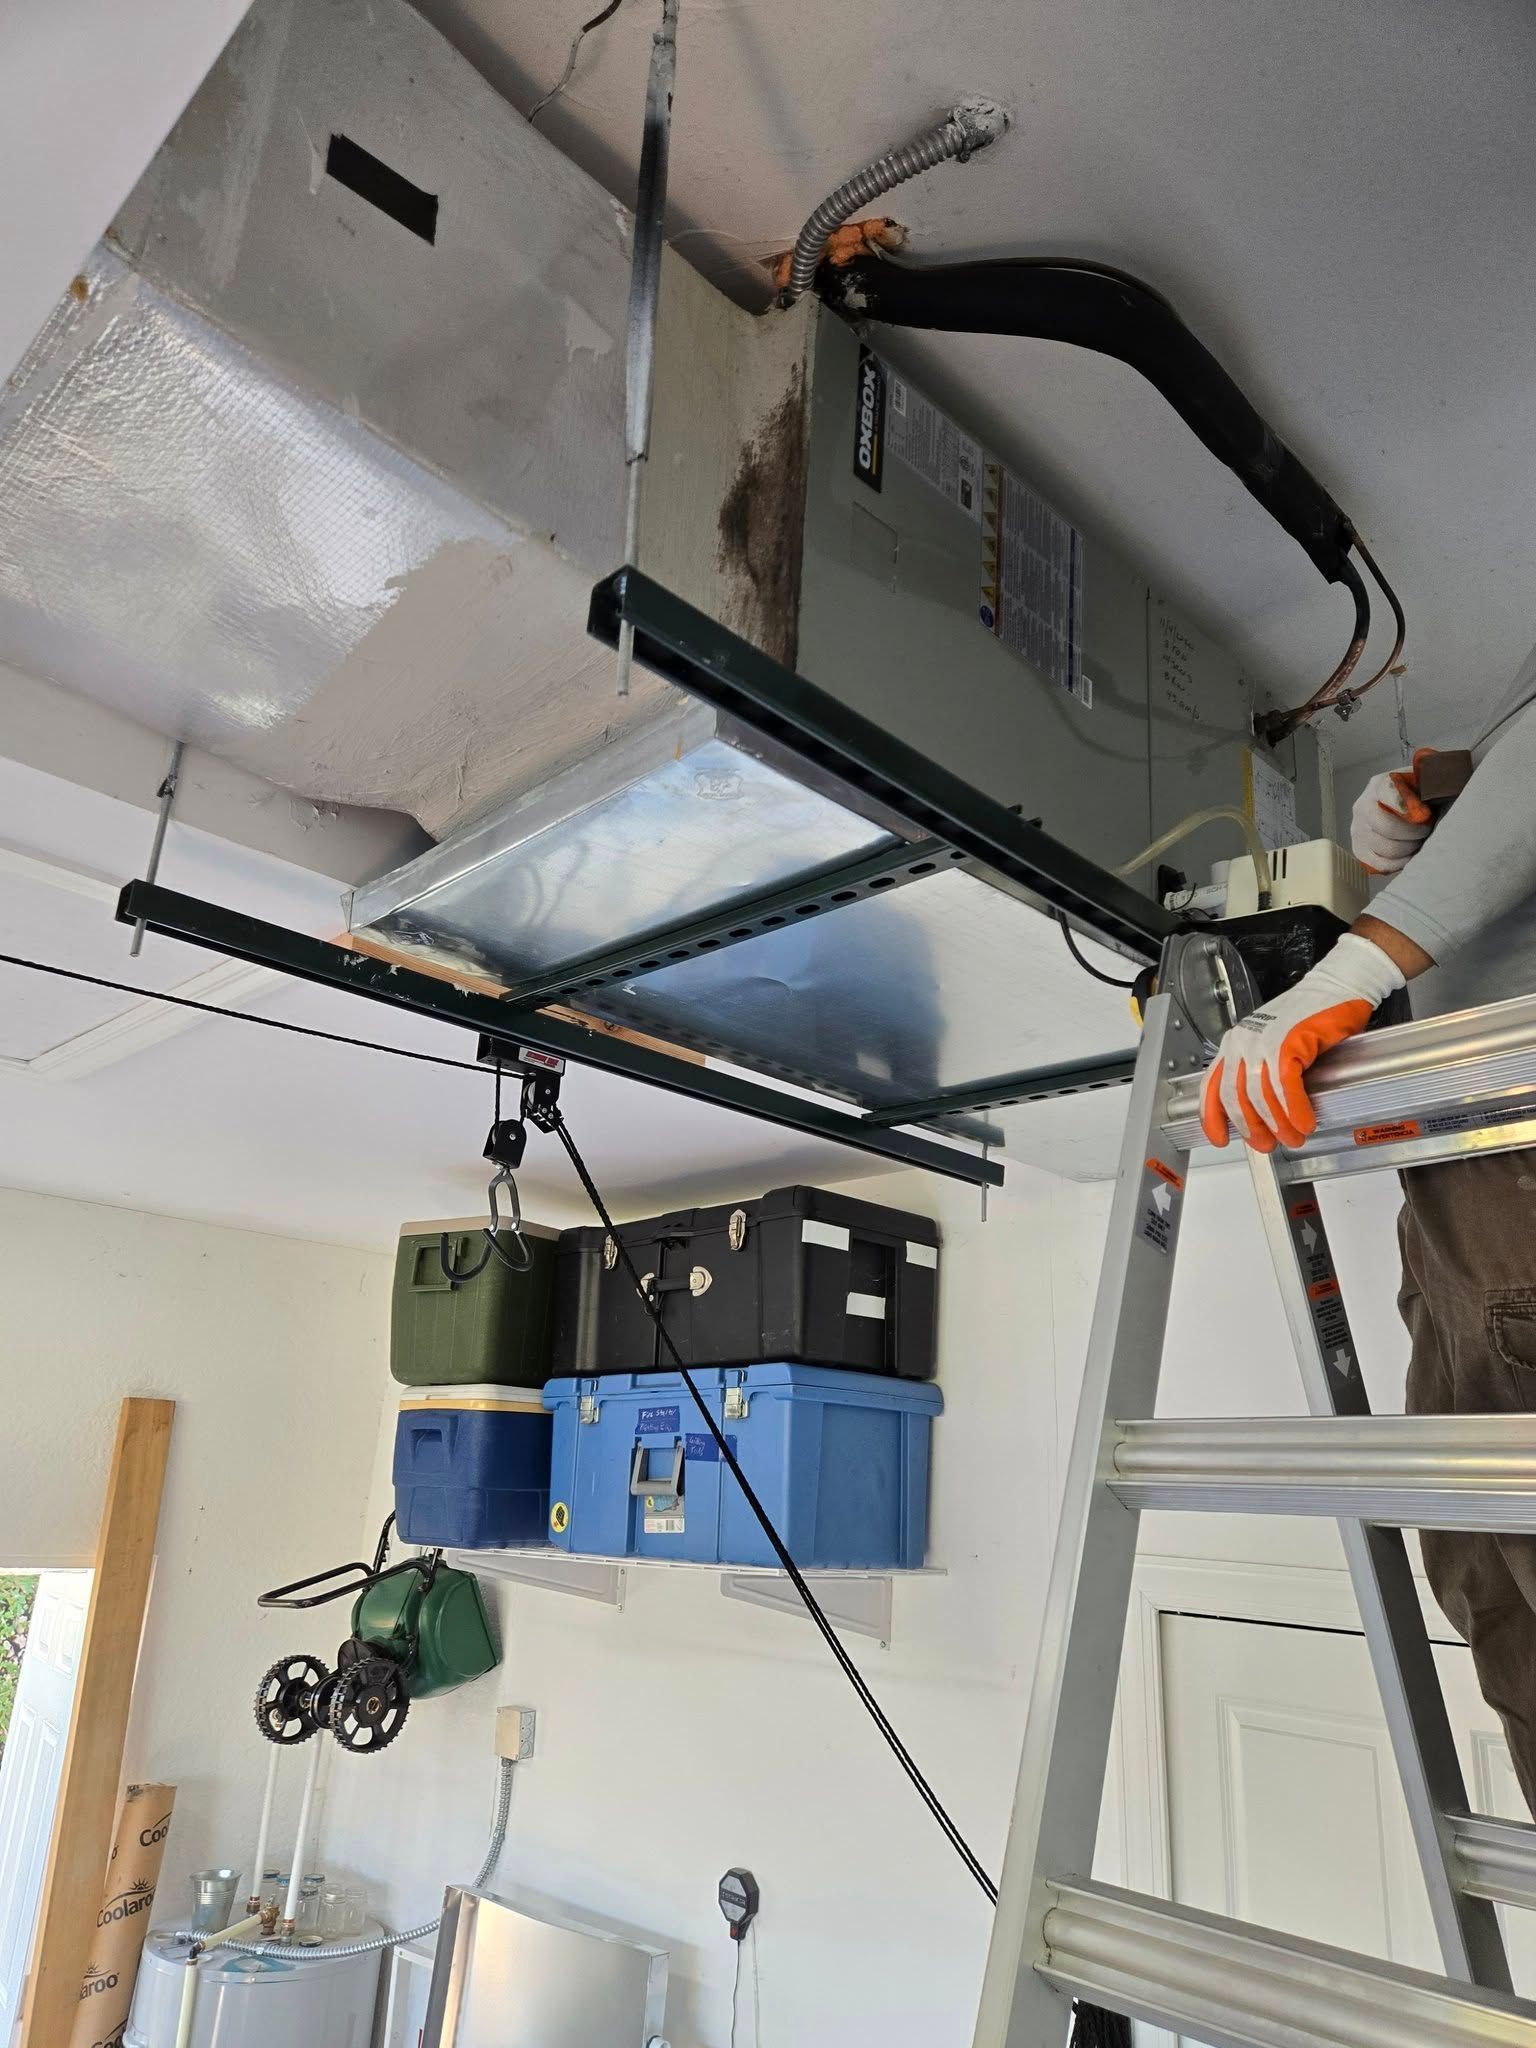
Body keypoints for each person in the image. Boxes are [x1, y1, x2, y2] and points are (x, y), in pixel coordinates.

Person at [1200, 642, 1536, 1812]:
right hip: (1462, 1168)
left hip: (1517, 1146)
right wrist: (1440, 799)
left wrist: (1353, 964)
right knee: (1478, 1570)